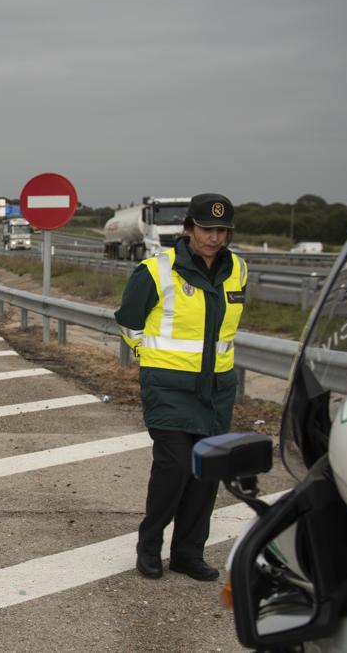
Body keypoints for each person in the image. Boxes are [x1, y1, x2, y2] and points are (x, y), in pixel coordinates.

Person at [115, 193, 247, 582]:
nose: (214, 238)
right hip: (169, 389)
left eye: (222, 231)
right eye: (207, 229)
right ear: (189, 228)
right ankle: (149, 547)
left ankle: (189, 554)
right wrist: (149, 359)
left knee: (205, 473)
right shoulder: (156, 269)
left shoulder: (238, 269)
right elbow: (128, 321)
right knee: (174, 468)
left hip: (217, 391)